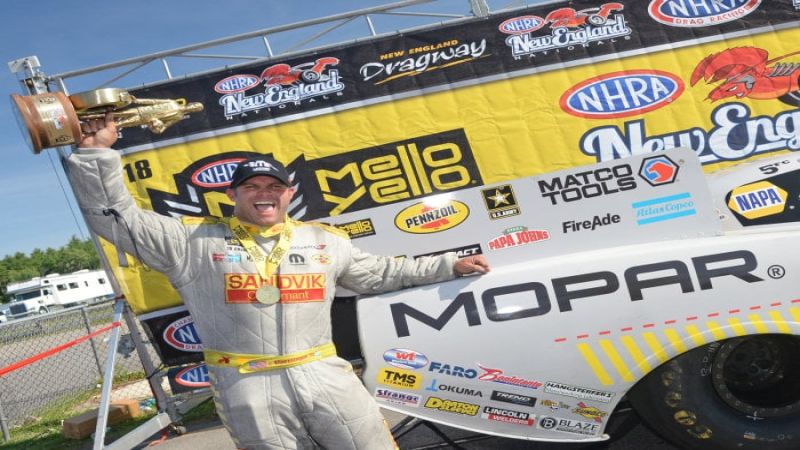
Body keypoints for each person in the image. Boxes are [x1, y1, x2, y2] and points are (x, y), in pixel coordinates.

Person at [67, 113, 490, 450]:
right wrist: (95, 156)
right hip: (246, 385)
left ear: (289, 194)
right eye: (250, 186)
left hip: (324, 373)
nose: (263, 192)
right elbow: (115, 216)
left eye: (274, 185)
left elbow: (381, 273)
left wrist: (447, 265)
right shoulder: (191, 241)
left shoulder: (324, 240)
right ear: (232, 196)